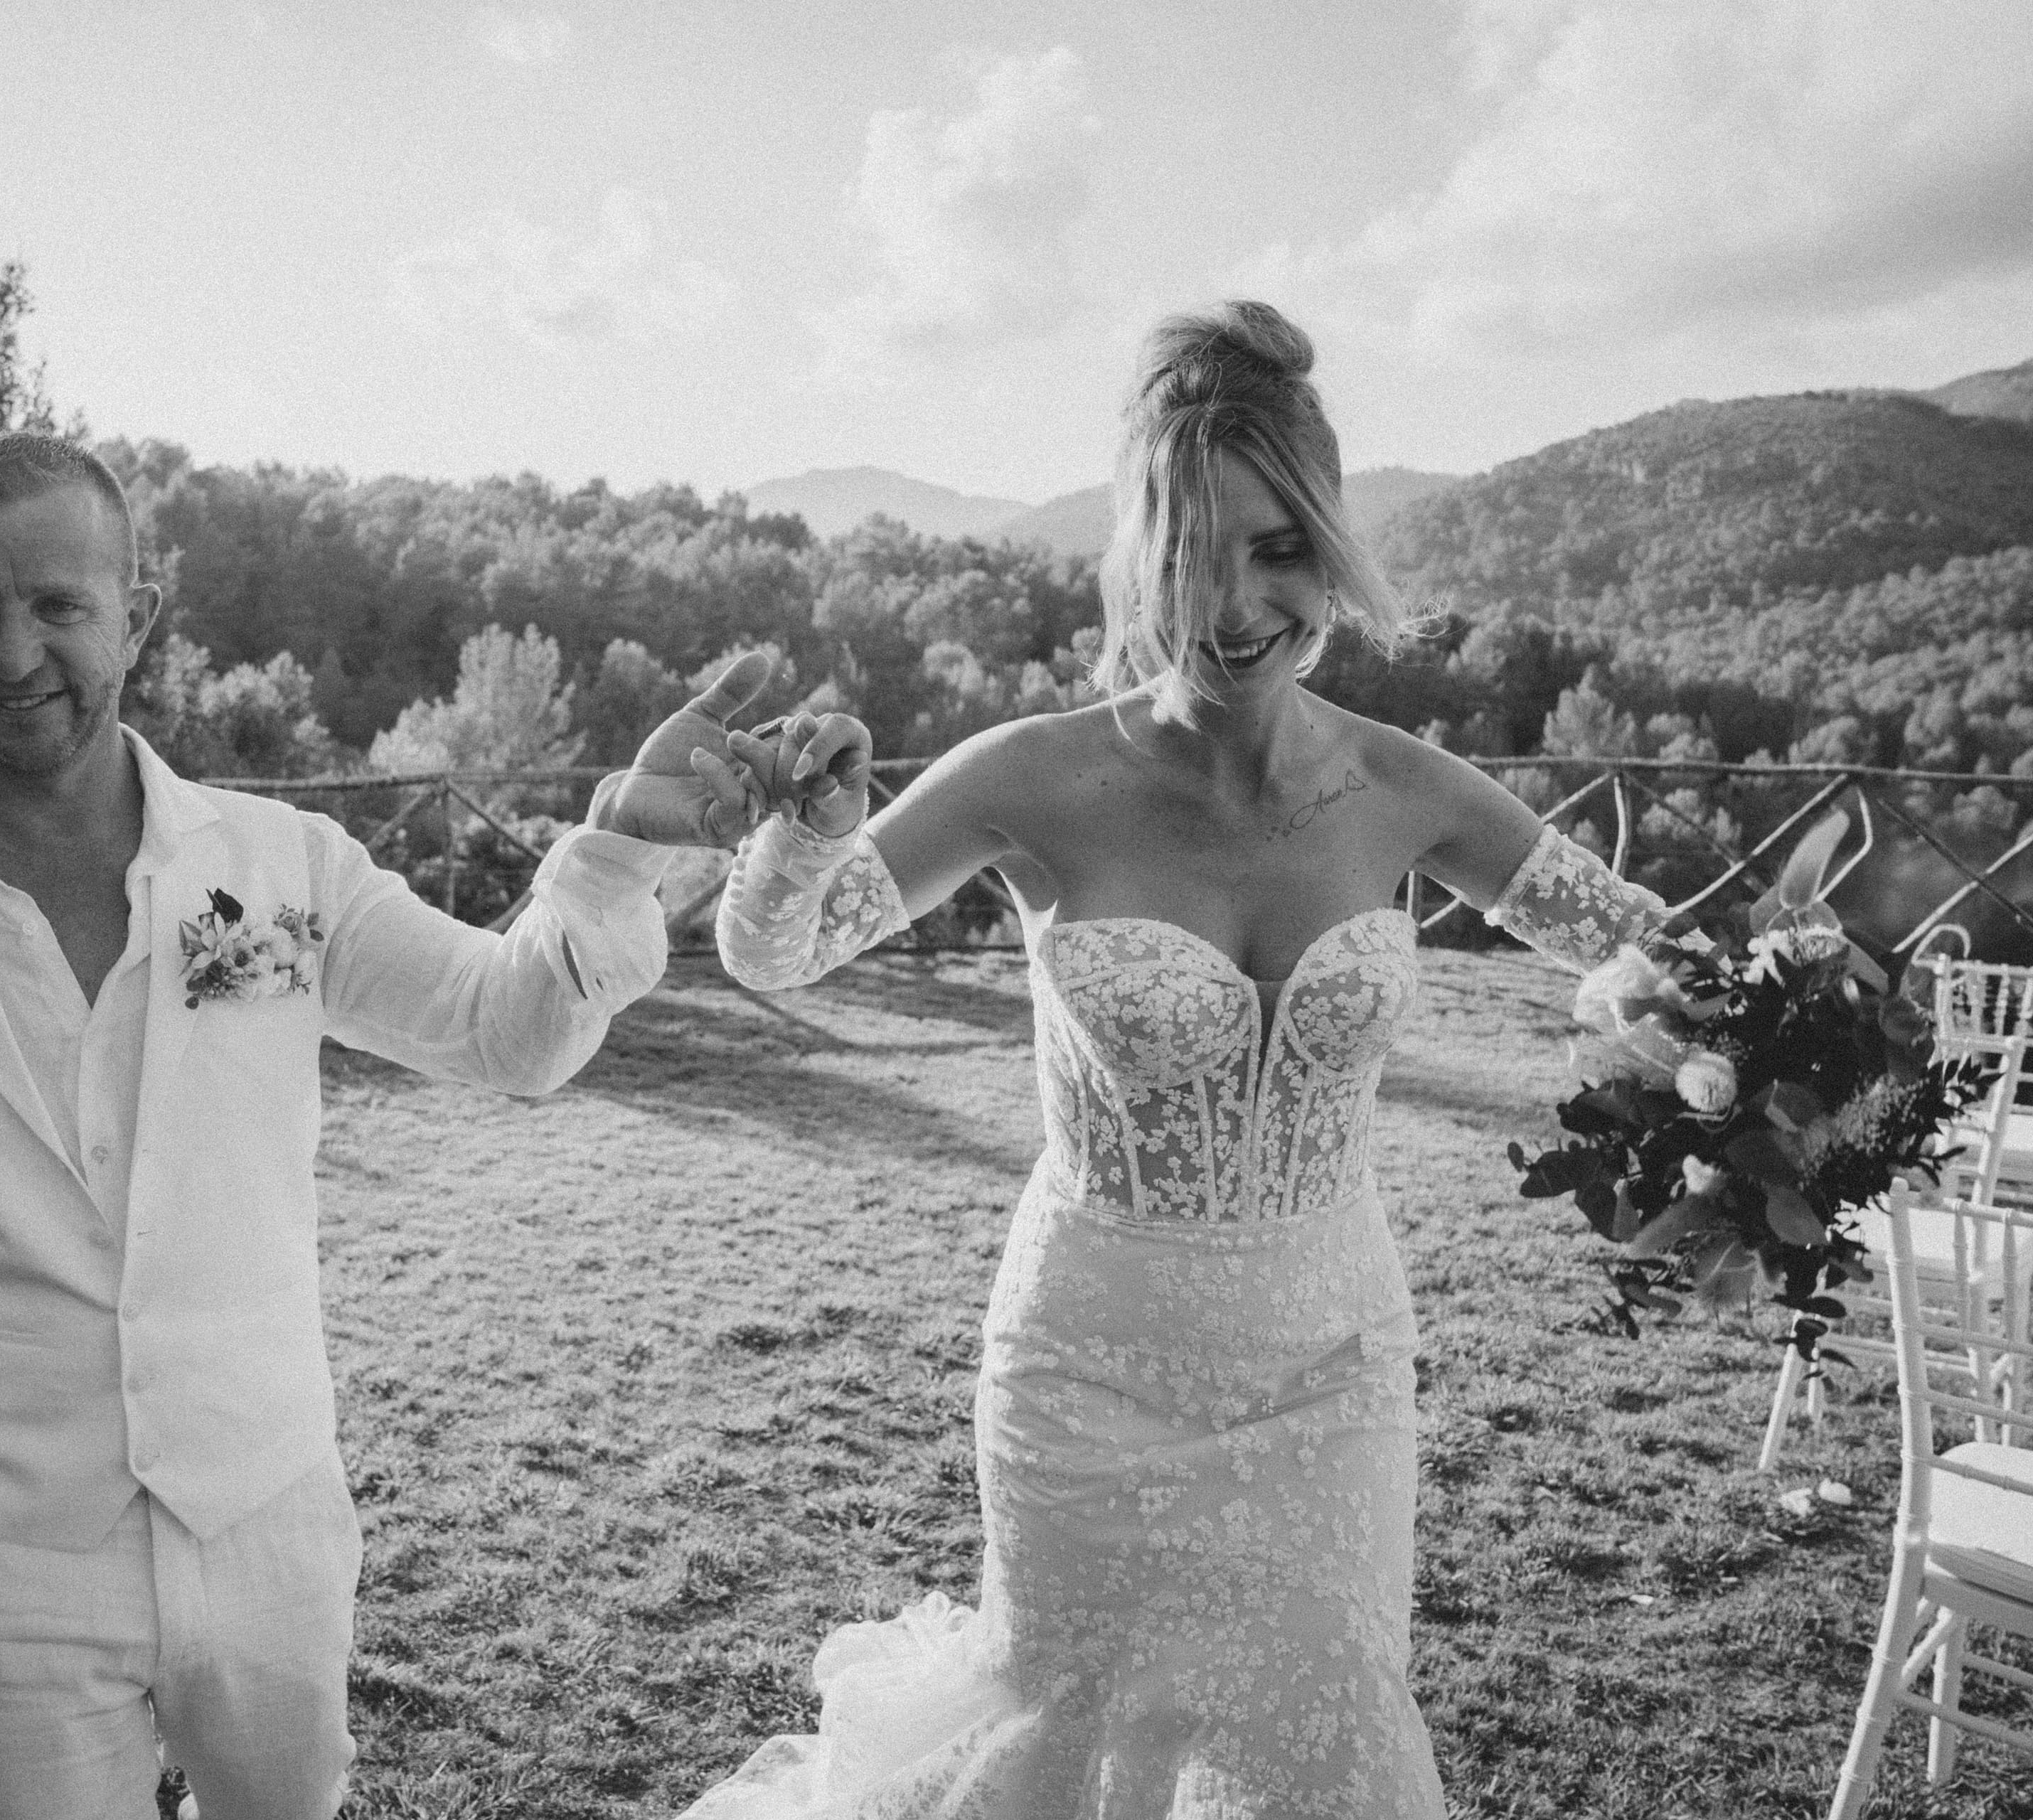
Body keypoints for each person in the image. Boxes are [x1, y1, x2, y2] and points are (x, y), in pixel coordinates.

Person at [661, 302, 1666, 1816]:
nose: (1241, 601)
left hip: (1334, 1365)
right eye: (1196, 552)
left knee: (1324, 1746)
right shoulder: (1033, 776)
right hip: (1087, 1369)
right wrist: (803, 834)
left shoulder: (1408, 790)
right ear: (1139, 557)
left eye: (1280, 548)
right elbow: (774, 951)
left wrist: (1756, 1012)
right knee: (1071, 1746)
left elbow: (1640, 944)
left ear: (1332, 546)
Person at [0, 432, 760, 1818]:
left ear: (135, 616)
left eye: (60, 605)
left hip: (267, 1534)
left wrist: (621, 843)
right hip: (2, 1573)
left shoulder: (270, 875)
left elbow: (507, 1032)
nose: (15, 649)